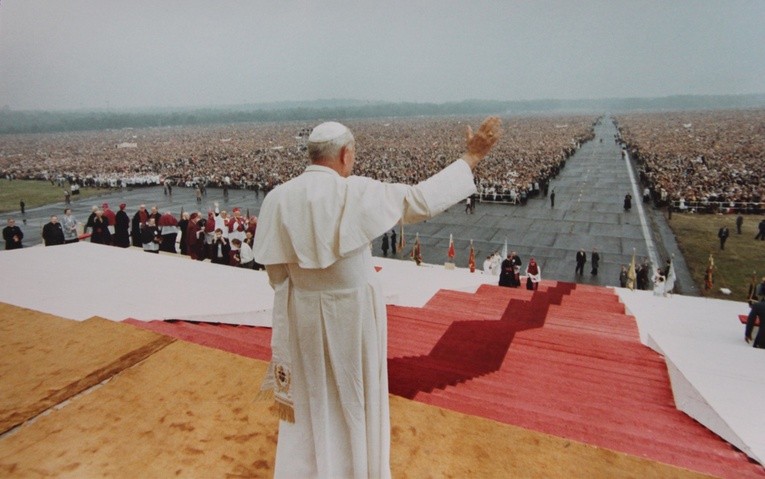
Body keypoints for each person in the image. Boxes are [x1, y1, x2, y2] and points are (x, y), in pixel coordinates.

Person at [253, 116, 501, 478]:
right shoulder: (358, 192)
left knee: (311, 401)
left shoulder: (276, 199)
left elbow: (276, 276)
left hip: (301, 316)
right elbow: (420, 200)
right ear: (345, 155)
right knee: (355, 400)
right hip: (354, 319)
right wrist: (472, 157)